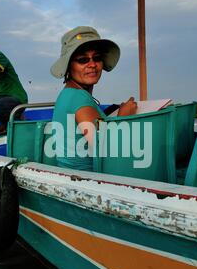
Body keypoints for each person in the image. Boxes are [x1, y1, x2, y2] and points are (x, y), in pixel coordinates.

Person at [50, 26, 137, 171]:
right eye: (83, 60)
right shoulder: (79, 99)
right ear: (68, 66)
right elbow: (106, 149)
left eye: (97, 58)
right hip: (86, 183)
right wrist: (124, 117)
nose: (92, 64)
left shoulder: (69, 94)